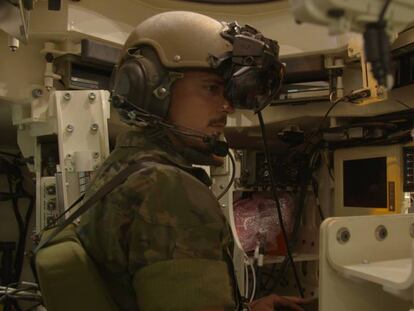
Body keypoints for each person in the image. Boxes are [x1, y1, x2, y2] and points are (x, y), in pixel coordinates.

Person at [77, 10, 308, 311]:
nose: (226, 106)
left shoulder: (124, 168)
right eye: (211, 88)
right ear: (151, 88)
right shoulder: (169, 191)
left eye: (226, 92)